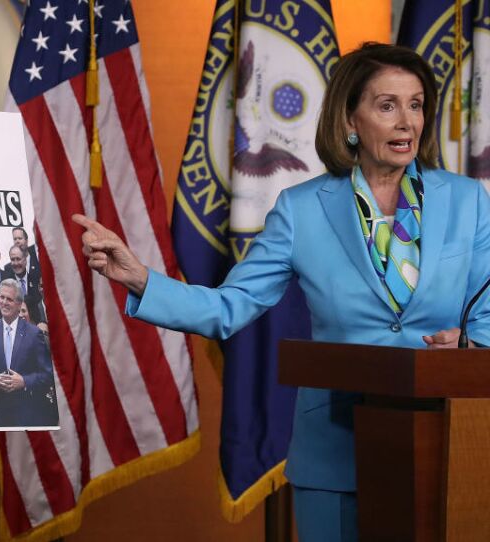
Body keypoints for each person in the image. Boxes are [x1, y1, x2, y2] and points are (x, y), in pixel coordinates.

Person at [73, 43, 490, 542]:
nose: (407, 122)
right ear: (350, 120)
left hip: (445, 445)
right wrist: (141, 278)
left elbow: (485, 317)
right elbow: (228, 308)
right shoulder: (301, 209)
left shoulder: (468, 202)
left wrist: (466, 346)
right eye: (387, 105)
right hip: (334, 451)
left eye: (416, 105)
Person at [0, 280, 53, 427]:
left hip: (27, 413)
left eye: (9, 299)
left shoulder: (34, 334)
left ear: (19, 304)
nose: (4, 302)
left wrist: (24, 382)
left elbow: (47, 374)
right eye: (2, 297)